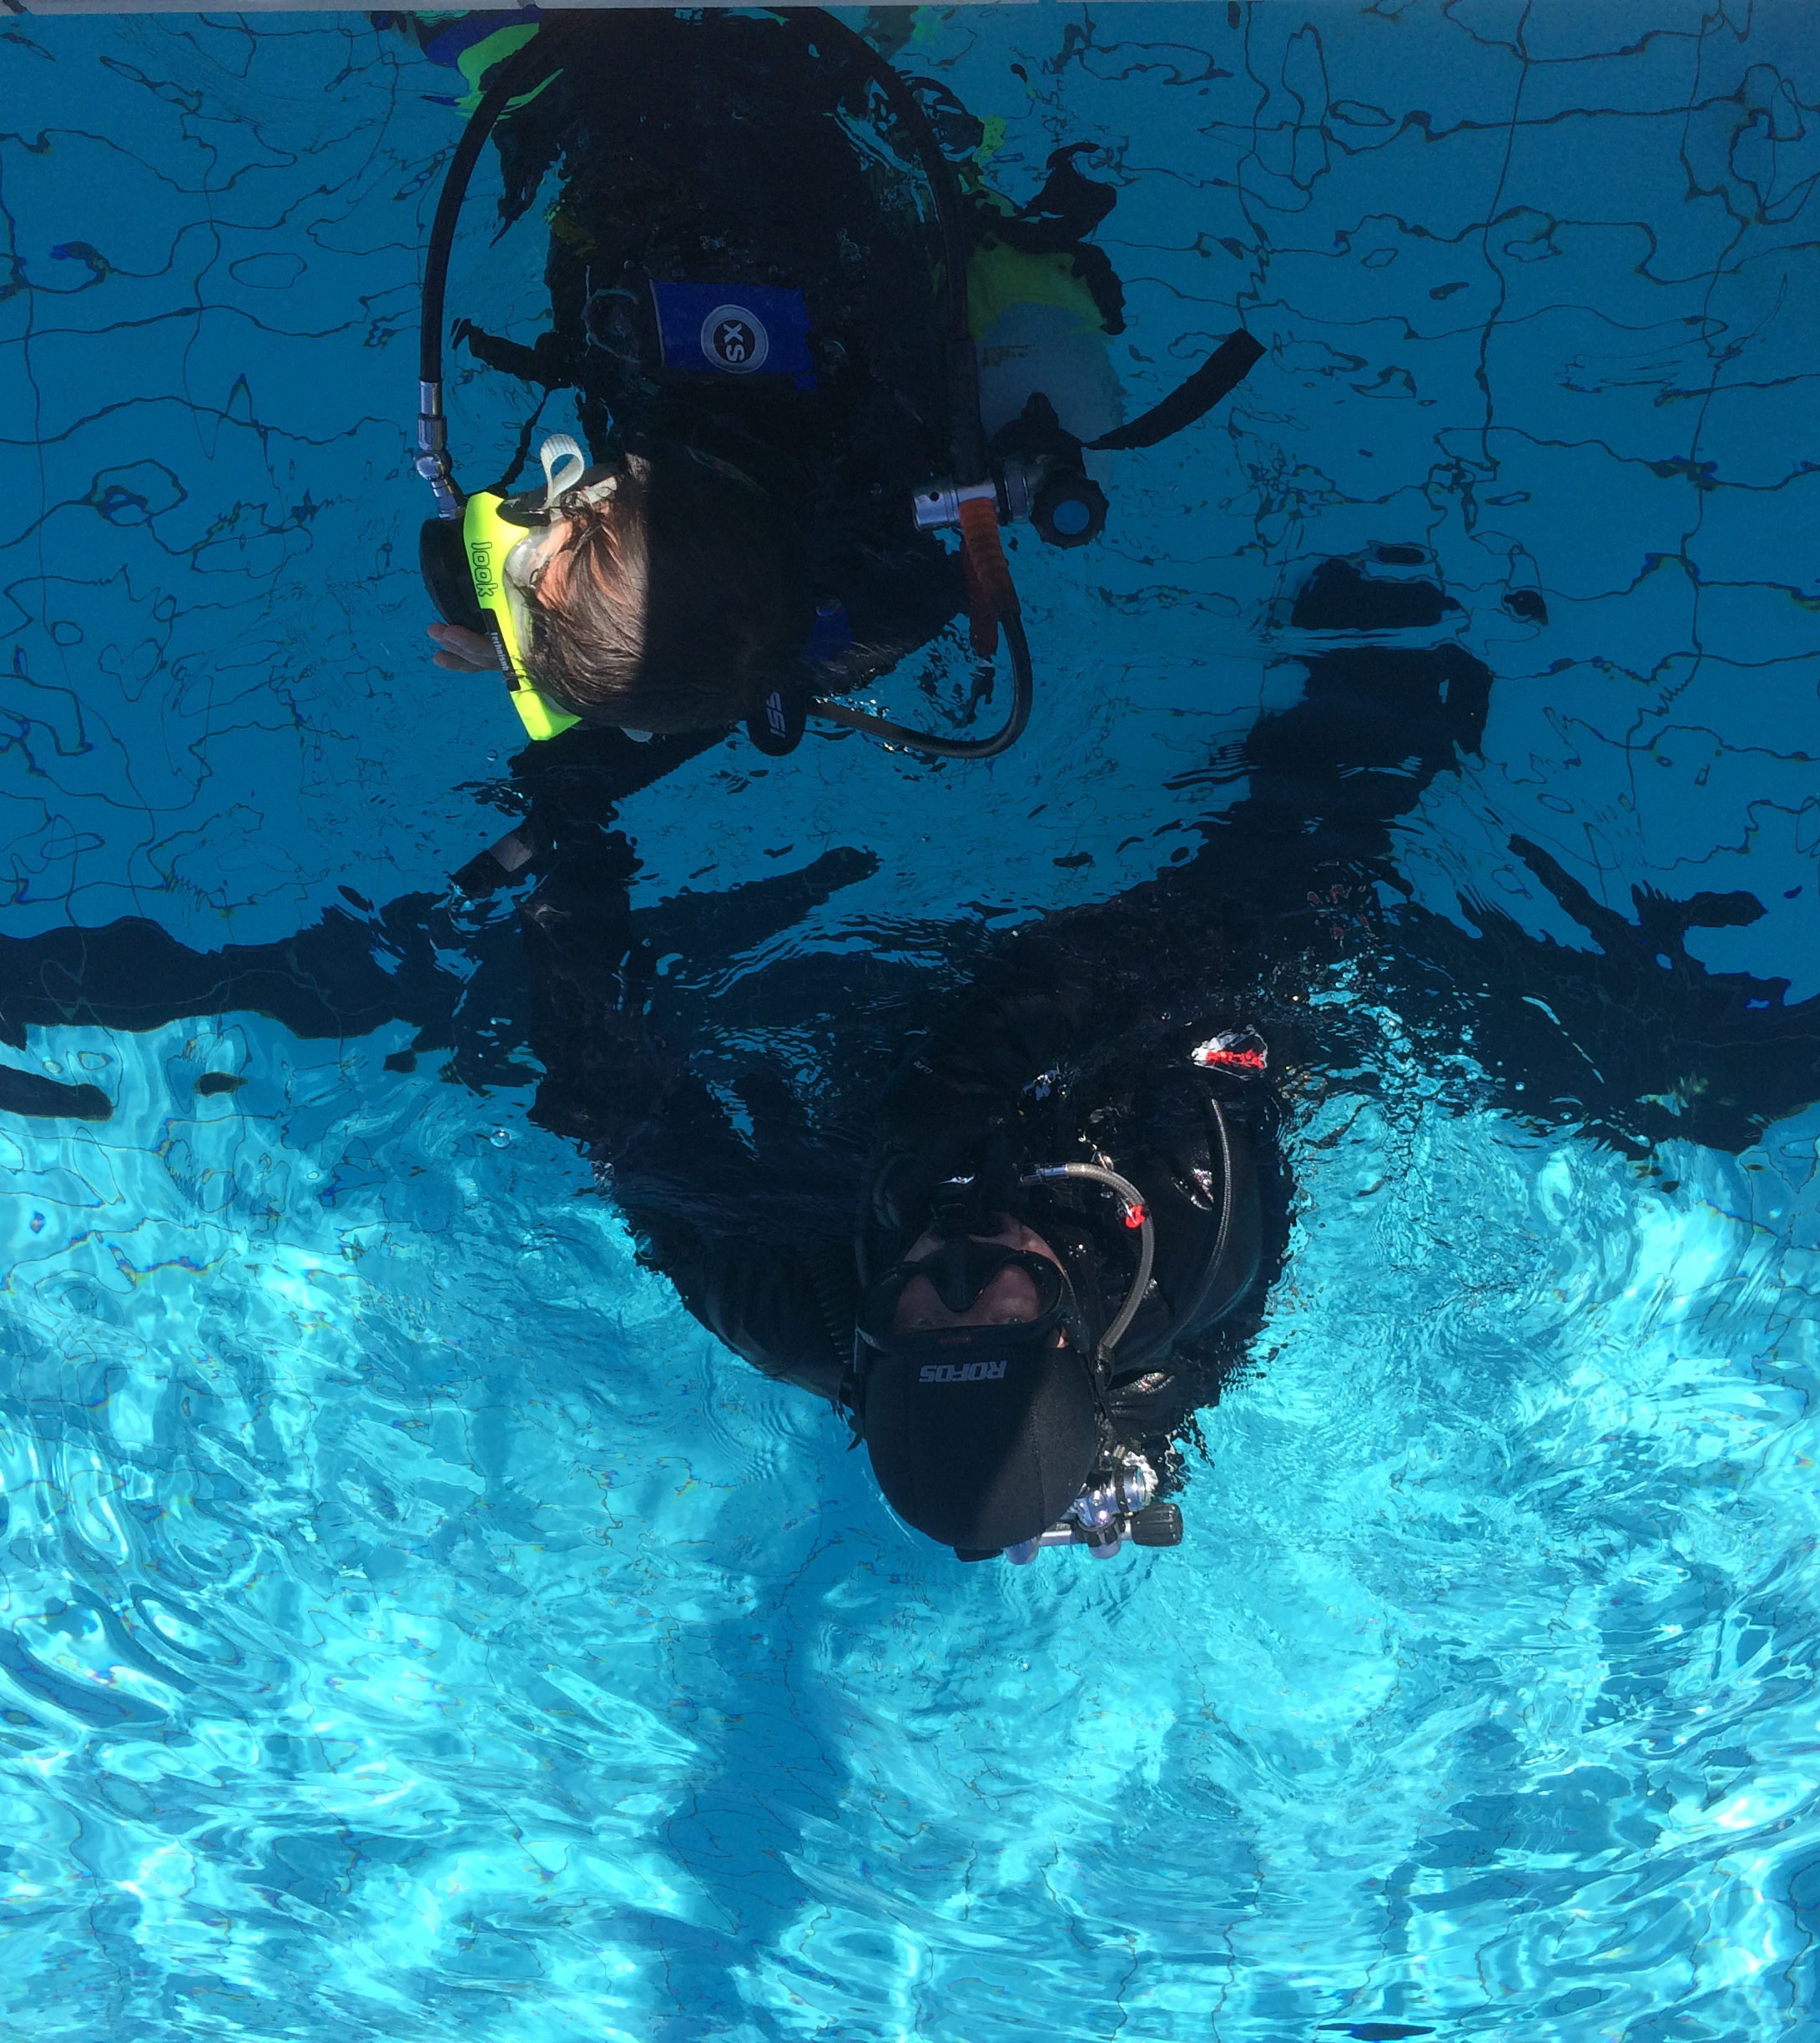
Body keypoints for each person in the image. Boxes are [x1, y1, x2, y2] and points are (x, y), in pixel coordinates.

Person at [507, 552, 1494, 1559]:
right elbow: (1185, 960)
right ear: (1067, 1326)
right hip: (1140, 1096)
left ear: (874, 1348)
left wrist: (569, 869)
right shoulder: (1192, 1239)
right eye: (997, 1305)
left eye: (923, 1314)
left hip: (891, 1114)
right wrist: (971, 1071)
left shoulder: (798, 1314)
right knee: (1304, 894)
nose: (957, 1264)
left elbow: (610, 1113)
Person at [399, 6, 1261, 760]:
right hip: (760, 114)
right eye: (558, 518)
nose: (537, 506)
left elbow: (741, 669)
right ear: (637, 483)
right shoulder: (681, 311)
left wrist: (577, 664)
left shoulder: (856, 600)